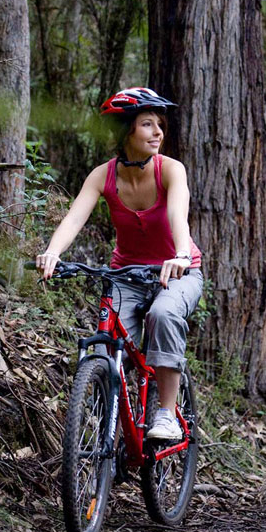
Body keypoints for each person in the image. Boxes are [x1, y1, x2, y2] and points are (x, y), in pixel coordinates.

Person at [36, 87, 203, 440]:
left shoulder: (171, 170)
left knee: (163, 315)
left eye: (160, 124)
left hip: (177, 271)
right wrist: (53, 252)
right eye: (147, 124)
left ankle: (166, 413)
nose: (158, 132)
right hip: (126, 274)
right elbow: (73, 218)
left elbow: (179, 216)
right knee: (104, 345)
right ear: (125, 131)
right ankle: (108, 429)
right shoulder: (103, 175)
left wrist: (181, 254)